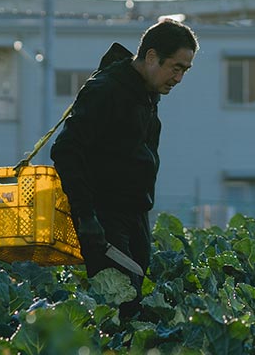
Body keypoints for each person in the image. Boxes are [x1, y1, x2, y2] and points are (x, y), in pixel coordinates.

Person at [50, 18, 195, 301]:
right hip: (104, 220)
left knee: (134, 301)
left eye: (185, 71)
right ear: (152, 56)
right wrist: (86, 216)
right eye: (175, 68)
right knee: (119, 306)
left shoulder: (147, 95)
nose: (179, 79)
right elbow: (66, 150)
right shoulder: (105, 90)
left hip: (136, 216)